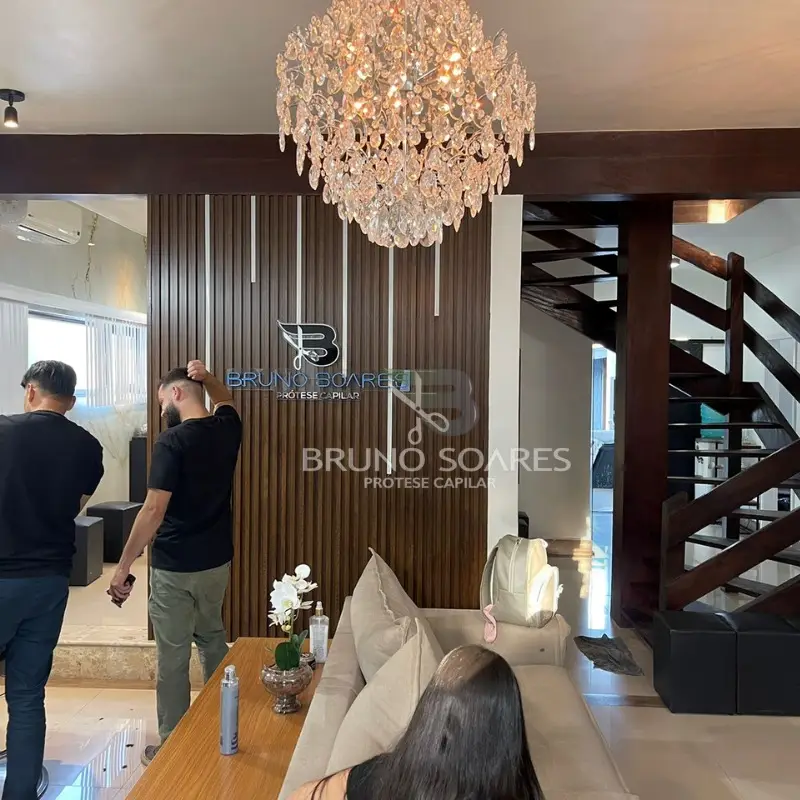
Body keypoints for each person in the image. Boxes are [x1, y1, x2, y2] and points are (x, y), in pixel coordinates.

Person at [108, 360, 242, 767]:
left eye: (162, 399)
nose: (161, 407)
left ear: (177, 393)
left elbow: (153, 509)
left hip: (175, 566)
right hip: (216, 561)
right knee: (213, 638)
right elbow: (225, 399)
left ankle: (172, 748)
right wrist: (210, 378)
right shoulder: (228, 428)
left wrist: (123, 565)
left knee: (173, 655)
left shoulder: (172, 441)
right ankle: (226, 724)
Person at [0, 361, 104, 800]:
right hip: (48, 581)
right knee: (27, 694)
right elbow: (74, 508)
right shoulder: (88, 446)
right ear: (72, 401)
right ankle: (20, 792)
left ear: (30, 391)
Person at [290, 645, 544, 800]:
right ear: (509, 728)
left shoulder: (382, 776)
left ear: (431, 711)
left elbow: (305, 794)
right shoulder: (520, 791)